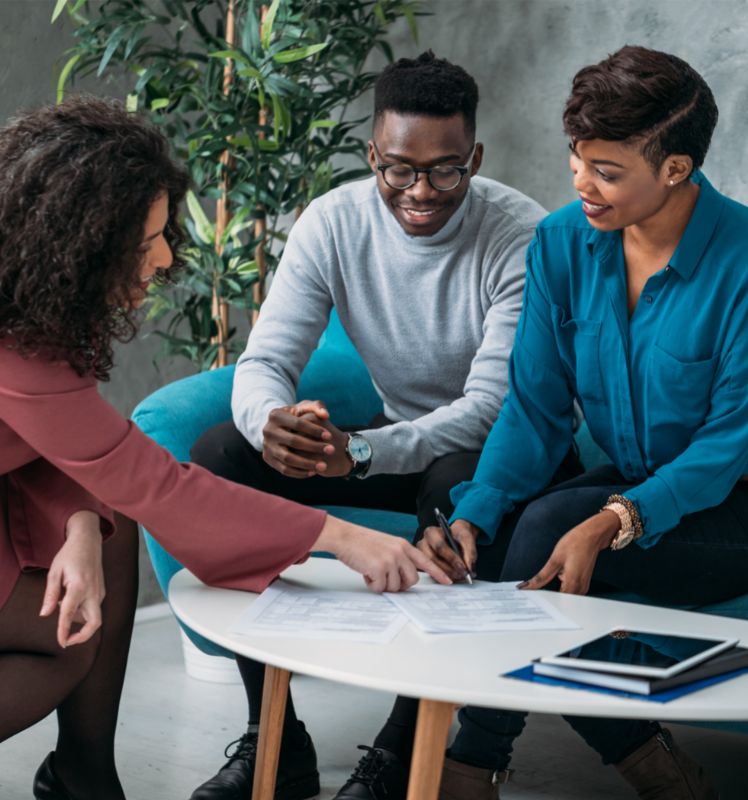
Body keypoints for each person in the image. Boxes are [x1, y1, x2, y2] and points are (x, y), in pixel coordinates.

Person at [0, 97, 449, 800]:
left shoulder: (2, 305)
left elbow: (57, 448)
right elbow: (155, 482)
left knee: (108, 524)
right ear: (81, 245)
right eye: (147, 242)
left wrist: (77, 522)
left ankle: (83, 775)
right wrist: (339, 536)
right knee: (69, 636)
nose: (166, 258)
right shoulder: (0, 347)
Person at [416, 45, 748, 800]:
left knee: (550, 531)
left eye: (607, 171)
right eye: (577, 159)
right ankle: (655, 767)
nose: (582, 182)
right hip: (643, 481)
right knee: (486, 516)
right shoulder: (560, 243)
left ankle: (470, 764)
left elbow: (725, 445)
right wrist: (476, 512)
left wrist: (618, 518)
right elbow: (536, 408)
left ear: (676, 168)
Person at [188, 52, 576, 800]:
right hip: (393, 441)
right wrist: (274, 423)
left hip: (504, 458)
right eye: (398, 169)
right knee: (216, 458)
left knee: (455, 481)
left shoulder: (521, 234)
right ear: (372, 154)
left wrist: (362, 453)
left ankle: (403, 749)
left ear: (476, 158)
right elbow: (265, 357)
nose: (420, 191)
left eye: (445, 170)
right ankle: (276, 736)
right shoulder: (334, 221)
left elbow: (493, 405)